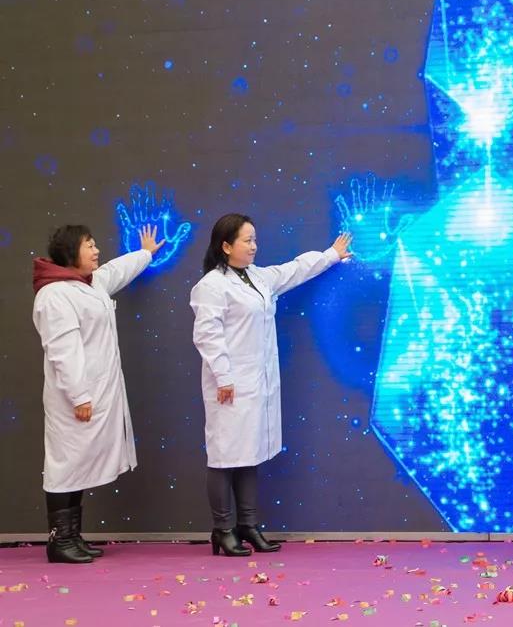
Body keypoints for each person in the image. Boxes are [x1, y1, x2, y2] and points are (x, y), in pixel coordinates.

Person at [190, 214, 352, 556]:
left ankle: (248, 525)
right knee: (224, 455)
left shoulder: (258, 277)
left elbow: (294, 270)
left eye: (254, 239)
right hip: (229, 386)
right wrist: (224, 376)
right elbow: (207, 335)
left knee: (249, 452)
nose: (254, 246)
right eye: (247, 240)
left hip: (256, 383)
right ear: (226, 246)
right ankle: (223, 529)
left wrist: (331, 255)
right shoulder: (211, 286)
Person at [32, 224, 165, 563]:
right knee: (65, 466)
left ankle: (72, 537)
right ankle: (59, 541)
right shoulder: (55, 295)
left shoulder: (88, 284)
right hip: (75, 399)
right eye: (89, 246)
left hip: (94, 395)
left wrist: (145, 254)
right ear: (70, 253)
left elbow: (114, 271)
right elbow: (63, 351)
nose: (96, 251)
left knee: (78, 466)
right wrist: (79, 396)